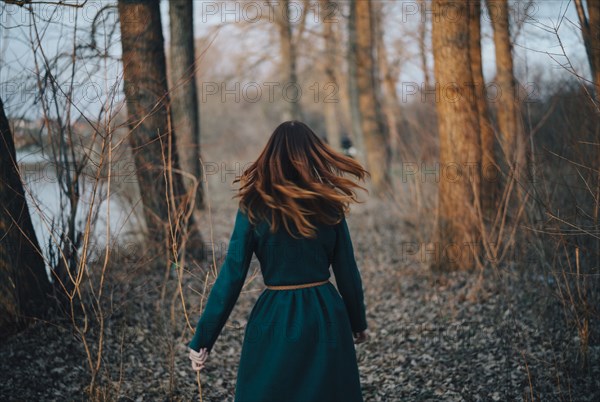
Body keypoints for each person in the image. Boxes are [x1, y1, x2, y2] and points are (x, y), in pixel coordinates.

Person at [187, 120, 370, 402]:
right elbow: (347, 270)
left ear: (271, 157)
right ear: (312, 155)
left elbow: (232, 275)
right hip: (325, 313)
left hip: (275, 317)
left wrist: (203, 338)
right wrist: (357, 320)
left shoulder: (253, 205)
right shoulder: (328, 204)